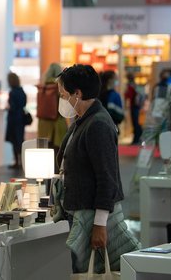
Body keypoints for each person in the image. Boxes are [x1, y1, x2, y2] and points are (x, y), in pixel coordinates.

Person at [55, 64, 139, 274]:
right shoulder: (82, 120)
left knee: (91, 270)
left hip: (93, 216)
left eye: (63, 94)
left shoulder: (98, 124)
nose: (62, 99)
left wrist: (100, 225)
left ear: (77, 93)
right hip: (80, 211)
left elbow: (106, 177)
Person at [37, 63, 67, 171]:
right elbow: (64, 109)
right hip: (57, 125)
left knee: (45, 155)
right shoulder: (59, 88)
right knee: (56, 156)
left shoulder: (42, 87)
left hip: (43, 125)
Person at [5, 72, 27, 169]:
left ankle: (17, 162)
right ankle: (21, 161)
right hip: (21, 119)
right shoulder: (22, 91)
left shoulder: (12, 92)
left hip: (13, 119)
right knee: (20, 140)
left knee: (14, 141)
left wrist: (8, 108)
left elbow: (12, 107)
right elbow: (23, 104)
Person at [124, 73, 143, 145]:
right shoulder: (135, 85)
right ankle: (137, 138)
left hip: (134, 106)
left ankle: (136, 139)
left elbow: (128, 96)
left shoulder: (130, 86)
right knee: (136, 123)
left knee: (135, 123)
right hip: (136, 106)